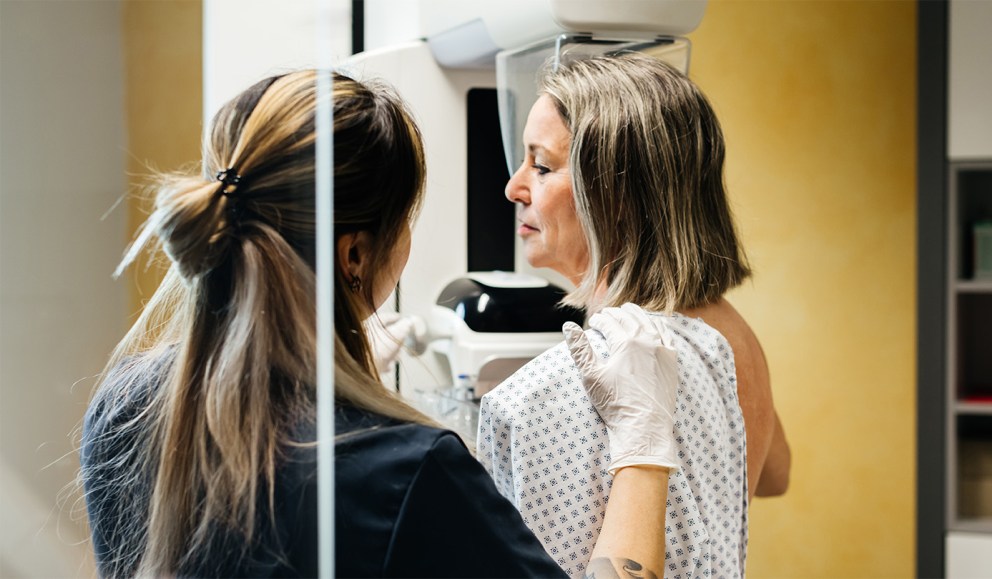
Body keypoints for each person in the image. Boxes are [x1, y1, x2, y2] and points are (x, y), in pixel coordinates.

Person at [79, 70, 681, 578]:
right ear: (356, 255)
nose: (515, 186)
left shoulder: (121, 407)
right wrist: (644, 447)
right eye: (407, 219)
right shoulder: (409, 470)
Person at [477, 52, 792, 578]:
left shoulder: (556, 389)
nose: (514, 187)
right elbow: (772, 473)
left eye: (543, 165)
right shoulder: (730, 333)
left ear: (616, 196)